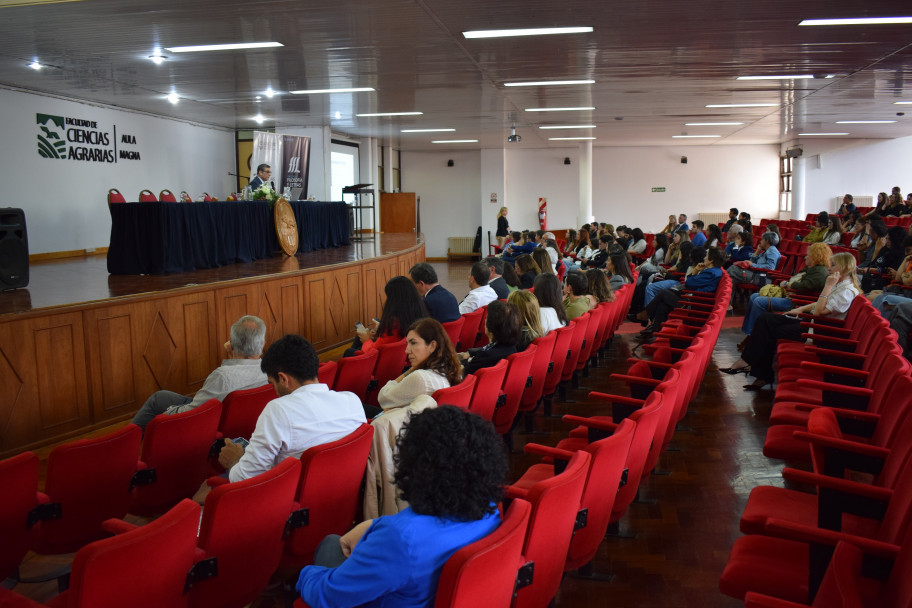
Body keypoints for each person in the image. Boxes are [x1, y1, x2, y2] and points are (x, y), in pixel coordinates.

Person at [296, 405, 507, 608]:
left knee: (330, 545)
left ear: (414, 465)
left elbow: (327, 595)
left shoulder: (399, 539)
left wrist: (304, 574)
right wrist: (373, 524)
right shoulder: (489, 508)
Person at [209, 334, 367, 495]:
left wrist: (234, 460)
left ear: (283, 378)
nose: (275, 392)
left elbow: (246, 479)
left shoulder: (279, 411)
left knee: (207, 487)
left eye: (272, 383)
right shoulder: (352, 401)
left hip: (286, 500)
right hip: (341, 495)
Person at [721, 252, 861, 390]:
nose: (829, 268)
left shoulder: (847, 291)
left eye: (833, 265)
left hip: (820, 331)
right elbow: (819, 303)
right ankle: (752, 367)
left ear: (844, 267)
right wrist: (800, 310)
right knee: (765, 319)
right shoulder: (840, 284)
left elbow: (819, 311)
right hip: (812, 321)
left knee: (769, 329)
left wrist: (827, 286)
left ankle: (755, 369)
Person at [131, 315, 268, 430]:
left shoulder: (222, 377)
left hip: (211, 421)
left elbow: (194, 412)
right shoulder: (270, 370)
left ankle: (128, 441)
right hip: (243, 420)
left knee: (157, 401)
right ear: (262, 344)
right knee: (161, 397)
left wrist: (167, 414)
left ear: (230, 344)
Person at [739, 243, 832, 341]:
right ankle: (748, 332)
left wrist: (788, 284)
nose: (806, 257)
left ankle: (753, 336)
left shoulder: (820, 272)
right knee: (754, 296)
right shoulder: (812, 268)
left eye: (809, 255)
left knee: (759, 301)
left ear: (816, 256)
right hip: (790, 296)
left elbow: (805, 286)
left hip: (796, 302)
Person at [377, 318, 462, 410]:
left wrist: (410, 370)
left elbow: (383, 398)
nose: (407, 350)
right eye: (407, 344)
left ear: (432, 346)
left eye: (413, 343)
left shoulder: (420, 377)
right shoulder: (449, 368)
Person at [639, 247, 724, 337]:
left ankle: (645, 315)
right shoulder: (713, 271)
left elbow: (689, 282)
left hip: (693, 304)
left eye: (707, 256)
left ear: (712, 260)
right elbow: (691, 283)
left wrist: (695, 270)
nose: (704, 258)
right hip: (692, 299)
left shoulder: (711, 273)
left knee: (663, 293)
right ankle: (654, 328)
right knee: (663, 304)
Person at [347, 276, 428, 356]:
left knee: (349, 351)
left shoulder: (393, 322)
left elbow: (374, 350)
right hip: (402, 357)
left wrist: (367, 340)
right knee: (361, 336)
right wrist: (379, 331)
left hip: (383, 358)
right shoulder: (419, 309)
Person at [460, 301, 521, 374]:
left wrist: (466, 360)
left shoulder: (486, 356)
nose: (485, 320)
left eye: (487, 318)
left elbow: (463, 371)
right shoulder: (512, 348)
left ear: (492, 328)